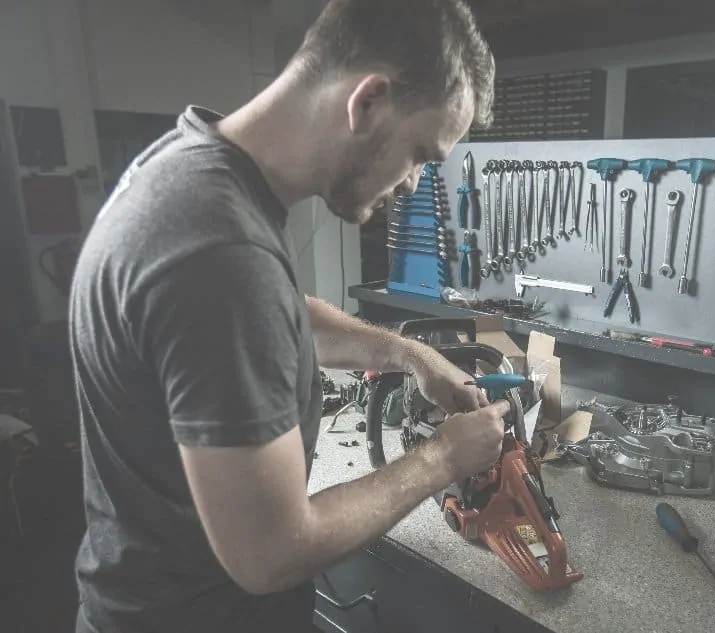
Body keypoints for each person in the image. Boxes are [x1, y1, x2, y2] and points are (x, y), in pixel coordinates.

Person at [68, 1, 504, 631]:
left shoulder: (189, 165)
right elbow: (270, 556)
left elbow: (280, 314)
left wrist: (414, 356)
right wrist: (442, 458)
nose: (413, 184)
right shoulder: (221, 250)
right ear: (369, 101)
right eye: (419, 152)